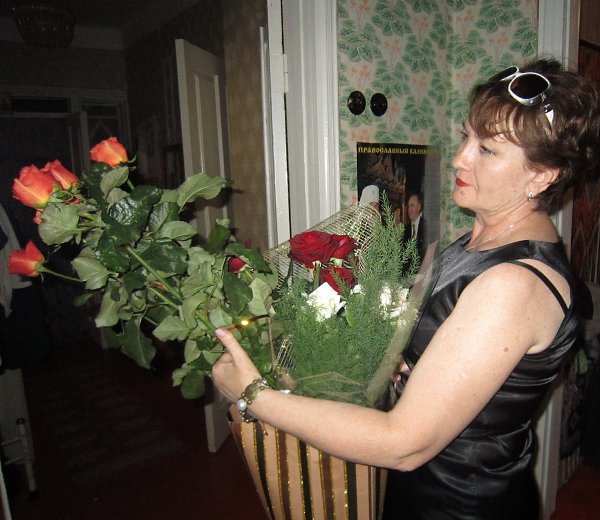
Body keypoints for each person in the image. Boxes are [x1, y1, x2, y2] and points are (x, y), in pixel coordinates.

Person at [212, 58, 600, 519]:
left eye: (488, 150)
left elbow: (404, 444)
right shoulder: (480, 240)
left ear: (543, 175)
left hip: (456, 504)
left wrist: (254, 395)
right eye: (465, 136)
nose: (460, 158)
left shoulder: (513, 285)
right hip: (425, 491)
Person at [404, 191, 426, 261]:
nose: (409, 210)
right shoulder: (405, 229)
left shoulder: (426, 227)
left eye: (412, 206)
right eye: (408, 206)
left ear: (419, 207)